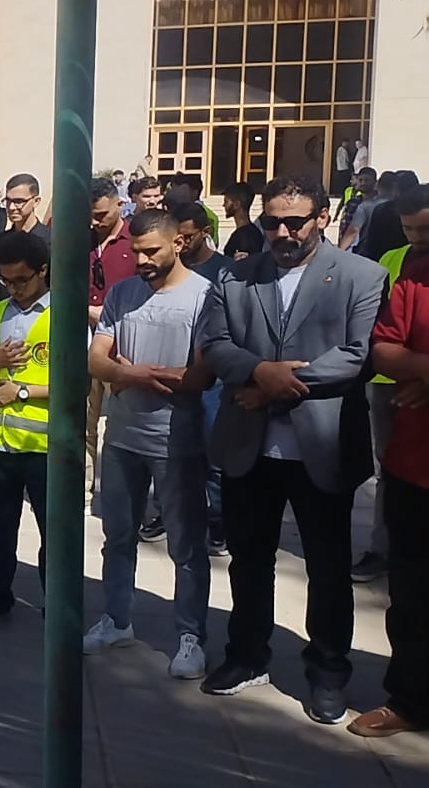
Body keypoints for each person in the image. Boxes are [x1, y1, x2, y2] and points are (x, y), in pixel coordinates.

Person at [198, 176, 386, 726]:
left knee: (327, 569)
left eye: (294, 222)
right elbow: (214, 343)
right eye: (271, 221)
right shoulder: (236, 274)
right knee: (248, 561)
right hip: (248, 446)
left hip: (322, 446)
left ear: (322, 218)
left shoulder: (361, 275)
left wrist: (278, 385)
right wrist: (258, 371)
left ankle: (328, 669)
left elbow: (356, 355)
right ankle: (246, 654)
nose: (281, 232)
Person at [82, 209, 215, 680]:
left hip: (175, 441)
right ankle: (117, 619)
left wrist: (132, 373)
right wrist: (133, 373)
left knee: (185, 543)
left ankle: (190, 636)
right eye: (136, 250)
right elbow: (98, 360)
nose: (141, 259)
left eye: (151, 250)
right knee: (118, 536)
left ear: (178, 243)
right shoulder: (122, 294)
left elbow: (200, 373)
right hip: (121, 437)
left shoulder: (203, 296)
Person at [349, 240, 429, 737]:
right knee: (413, 597)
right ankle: (411, 700)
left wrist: (418, 368)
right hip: (414, 467)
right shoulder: (417, 275)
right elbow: (383, 349)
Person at [0, 230, 55, 628]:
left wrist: (20, 391)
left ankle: (58, 603)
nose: (15, 288)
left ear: (43, 271)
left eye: (23, 279)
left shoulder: (62, 316)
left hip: (44, 444)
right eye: (7, 281)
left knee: (53, 532)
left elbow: (77, 380)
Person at [352, 185, 429, 583]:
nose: (418, 238)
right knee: (390, 472)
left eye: (425, 229)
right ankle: (382, 548)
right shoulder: (396, 263)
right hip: (390, 388)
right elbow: (383, 339)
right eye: (410, 229)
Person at [172, 200, 231, 554]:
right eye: (174, 238)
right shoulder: (168, 269)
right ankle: (167, 513)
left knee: (213, 456)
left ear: (204, 233)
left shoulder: (225, 272)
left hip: (214, 380)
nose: (180, 244)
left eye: (187, 237)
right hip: (175, 375)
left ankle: (219, 520)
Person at [87, 177, 138, 511]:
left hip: (122, 348)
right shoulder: (80, 240)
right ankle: (82, 488)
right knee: (82, 422)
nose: (95, 222)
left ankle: (122, 495)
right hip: (82, 342)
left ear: (119, 204)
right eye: (90, 215)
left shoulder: (136, 241)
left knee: (121, 424)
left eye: (102, 214)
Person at [0, 174, 52, 305]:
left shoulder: (50, 241)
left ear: (36, 201)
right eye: (8, 201)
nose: (11, 207)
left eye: (19, 202)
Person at [336, 167, 378, 249]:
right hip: (351, 247)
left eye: (367, 180)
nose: (363, 183)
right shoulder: (352, 202)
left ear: (374, 182)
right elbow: (345, 226)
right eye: (360, 180)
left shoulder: (379, 202)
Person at [221, 182, 264, 260]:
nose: (223, 205)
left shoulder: (245, 236)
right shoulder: (252, 232)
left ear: (237, 204)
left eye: (226, 201)